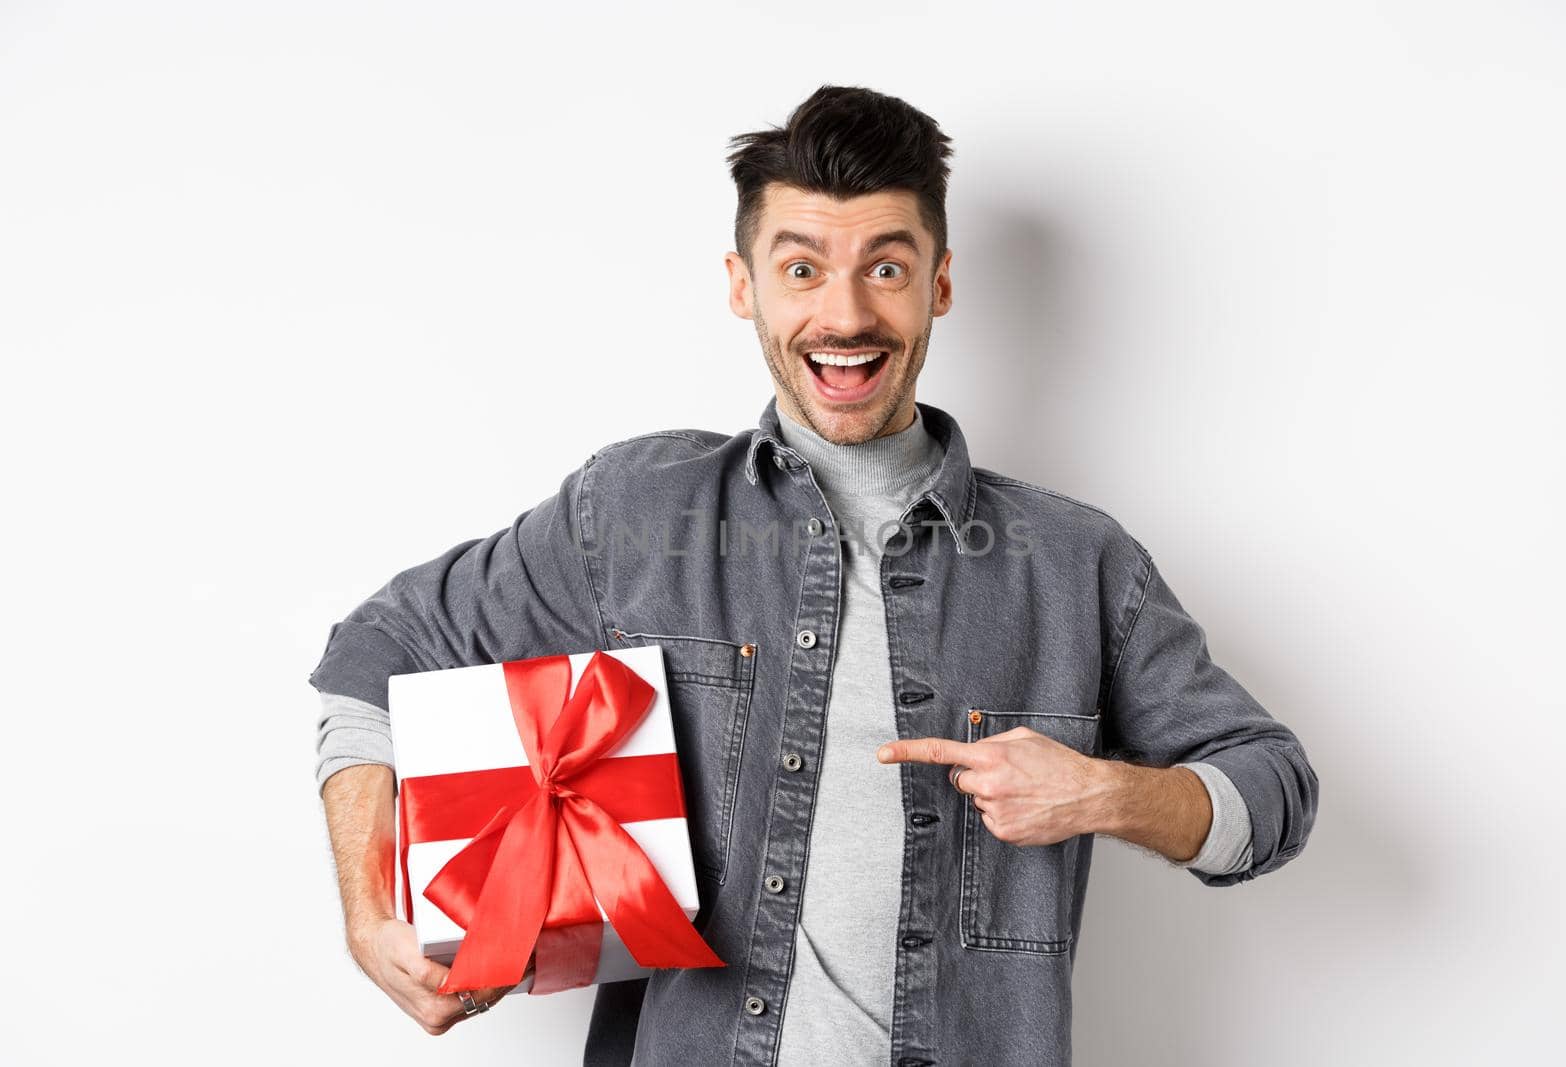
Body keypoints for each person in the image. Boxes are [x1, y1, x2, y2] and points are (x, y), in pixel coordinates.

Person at [310, 84, 1319, 1066]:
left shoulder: (1072, 561)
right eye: (801, 269)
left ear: (941, 283)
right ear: (743, 282)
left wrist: (1102, 792)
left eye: (886, 268)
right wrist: (370, 913)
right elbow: (379, 649)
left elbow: (1271, 793)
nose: (844, 314)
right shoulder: (633, 512)